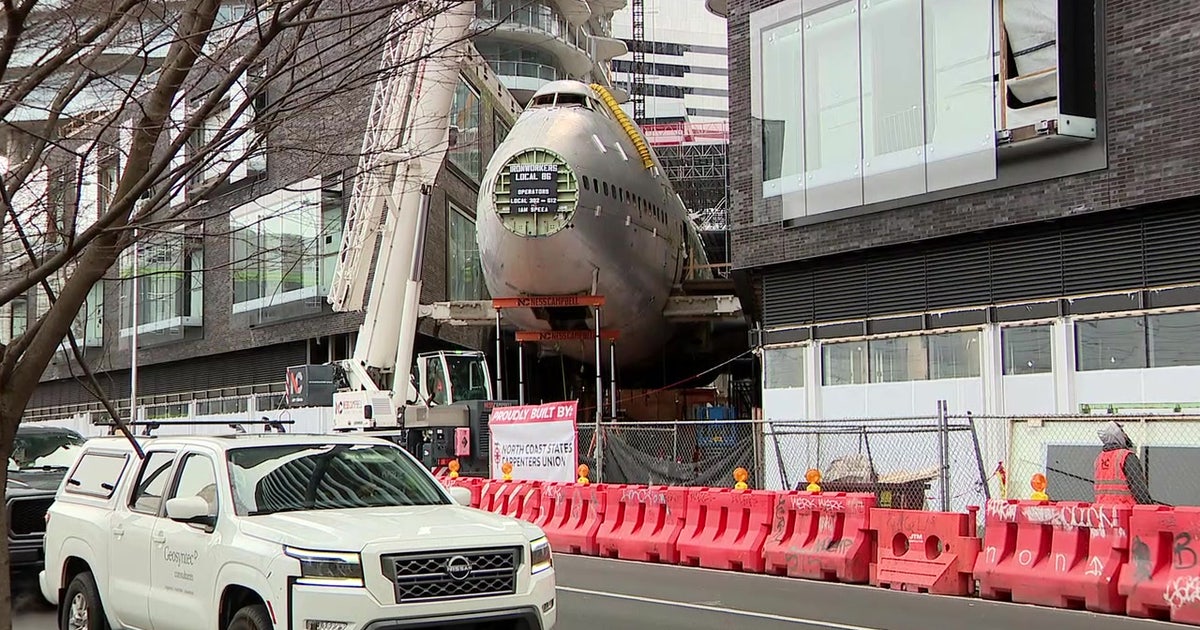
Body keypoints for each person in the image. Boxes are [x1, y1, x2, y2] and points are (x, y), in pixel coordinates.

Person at [1094, 420, 1153, 505]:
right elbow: (1138, 488)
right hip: (1125, 510)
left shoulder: (1099, 459)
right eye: (1122, 431)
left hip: (1103, 510)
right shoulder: (1126, 456)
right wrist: (1148, 507)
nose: (1125, 435)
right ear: (1117, 435)